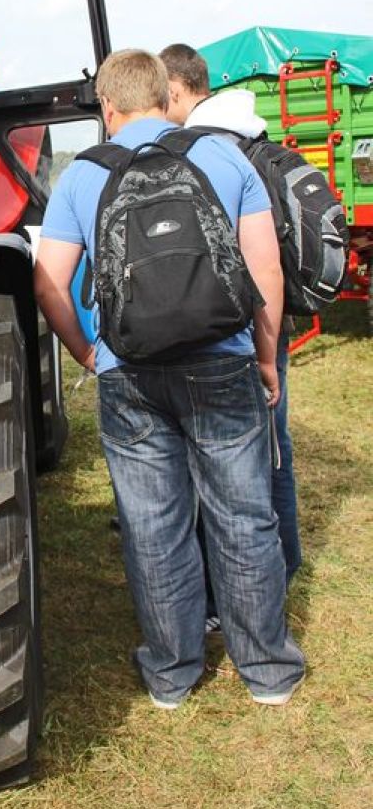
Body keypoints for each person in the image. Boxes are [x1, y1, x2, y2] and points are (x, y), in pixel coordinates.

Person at [34, 49, 305, 708]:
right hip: (224, 358)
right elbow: (264, 273)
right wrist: (266, 358)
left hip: (131, 371)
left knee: (153, 522)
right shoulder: (224, 157)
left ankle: (172, 673)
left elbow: (48, 281)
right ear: (165, 95)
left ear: (108, 107)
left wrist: (86, 352)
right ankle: (266, 670)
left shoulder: (83, 175)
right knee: (244, 513)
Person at [159, 42, 302, 585]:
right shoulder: (255, 134)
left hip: (237, 320)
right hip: (275, 316)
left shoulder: (205, 148)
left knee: (233, 462)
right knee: (273, 445)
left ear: (174, 91)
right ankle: (285, 560)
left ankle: (250, 580)